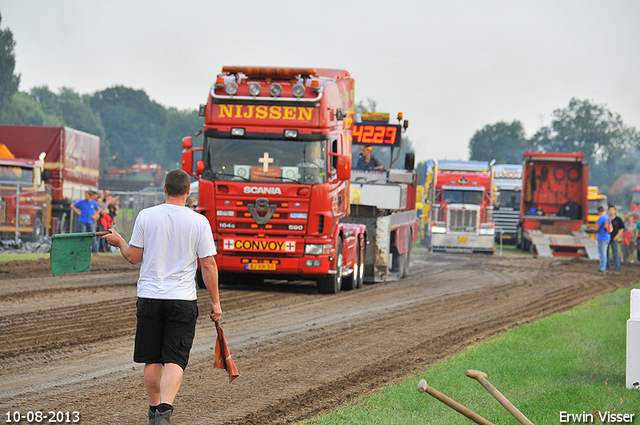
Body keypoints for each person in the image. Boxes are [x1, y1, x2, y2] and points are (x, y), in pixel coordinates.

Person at [102, 169, 222, 425]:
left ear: (165, 189)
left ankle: (153, 412)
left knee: (152, 358)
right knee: (175, 359)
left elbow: (133, 257)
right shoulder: (199, 222)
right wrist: (215, 302)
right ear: (188, 192)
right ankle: (165, 412)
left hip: (149, 297)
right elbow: (209, 265)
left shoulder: (146, 216)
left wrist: (120, 241)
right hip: (182, 300)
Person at [607, 205, 624, 274]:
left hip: (614, 238)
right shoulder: (607, 219)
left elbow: (621, 229)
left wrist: (617, 236)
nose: (611, 211)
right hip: (607, 238)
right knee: (606, 253)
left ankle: (617, 268)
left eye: (612, 210)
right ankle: (607, 268)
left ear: (615, 211)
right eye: (610, 210)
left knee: (615, 254)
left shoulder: (618, 219)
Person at [595, 205, 611, 274]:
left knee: (602, 254)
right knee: (604, 253)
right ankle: (604, 267)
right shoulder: (608, 217)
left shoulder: (601, 218)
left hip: (602, 238)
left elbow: (596, 229)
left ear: (599, 211)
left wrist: (589, 228)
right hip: (607, 237)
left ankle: (602, 269)